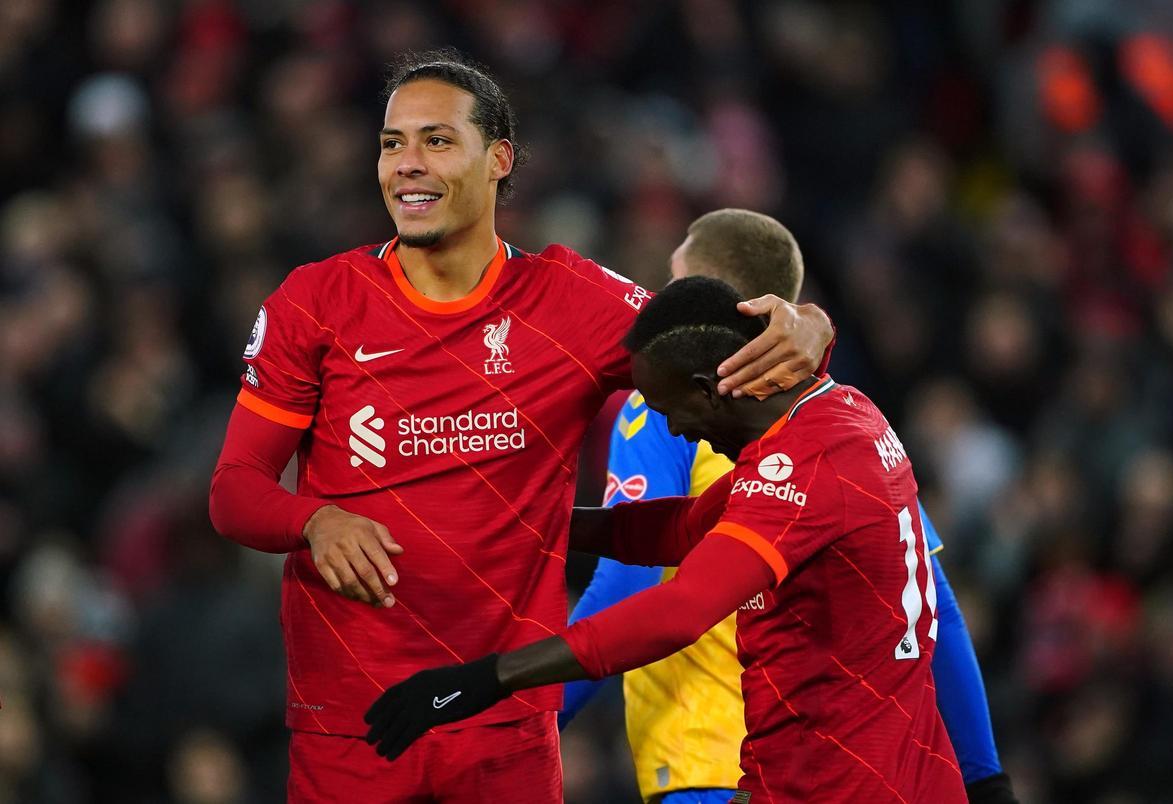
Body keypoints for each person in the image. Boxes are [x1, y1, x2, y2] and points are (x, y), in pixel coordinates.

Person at [207, 50, 833, 802]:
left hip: (504, 729)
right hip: (352, 720)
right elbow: (234, 491)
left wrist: (809, 323)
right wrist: (314, 521)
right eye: (391, 143)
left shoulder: (572, 302)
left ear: (499, 158)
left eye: (437, 140)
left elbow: (725, 335)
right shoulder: (316, 302)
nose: (407, 164)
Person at [363, 276, 968, 803]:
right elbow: (679, 530)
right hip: (858, 776)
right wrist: (517, 520)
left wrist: (489, 678)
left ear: (709, 387)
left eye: (668, 409)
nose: (676, 429)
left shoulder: (805, 468)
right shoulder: (838, 416)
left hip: (842, 788)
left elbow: (680, 611)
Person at [562, 209, 1017, 804]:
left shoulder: (656, 412)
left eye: (675, 284)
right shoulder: (840, 418)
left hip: (707, 763)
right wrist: (985, 776)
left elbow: (627, 583)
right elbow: (933, 604)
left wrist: (525, 721)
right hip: (828, 763)